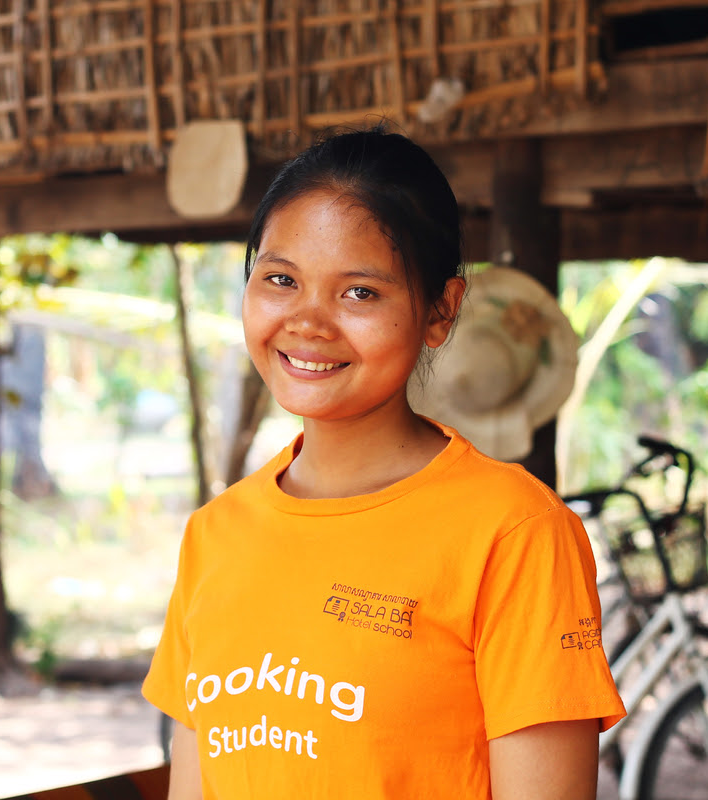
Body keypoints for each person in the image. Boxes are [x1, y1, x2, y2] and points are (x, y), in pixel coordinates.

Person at [142, 126, 625, 799]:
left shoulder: (513, 532)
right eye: (280, 279)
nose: (308, 323)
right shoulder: (215, 534)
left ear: (441, 310)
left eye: (359, 293)